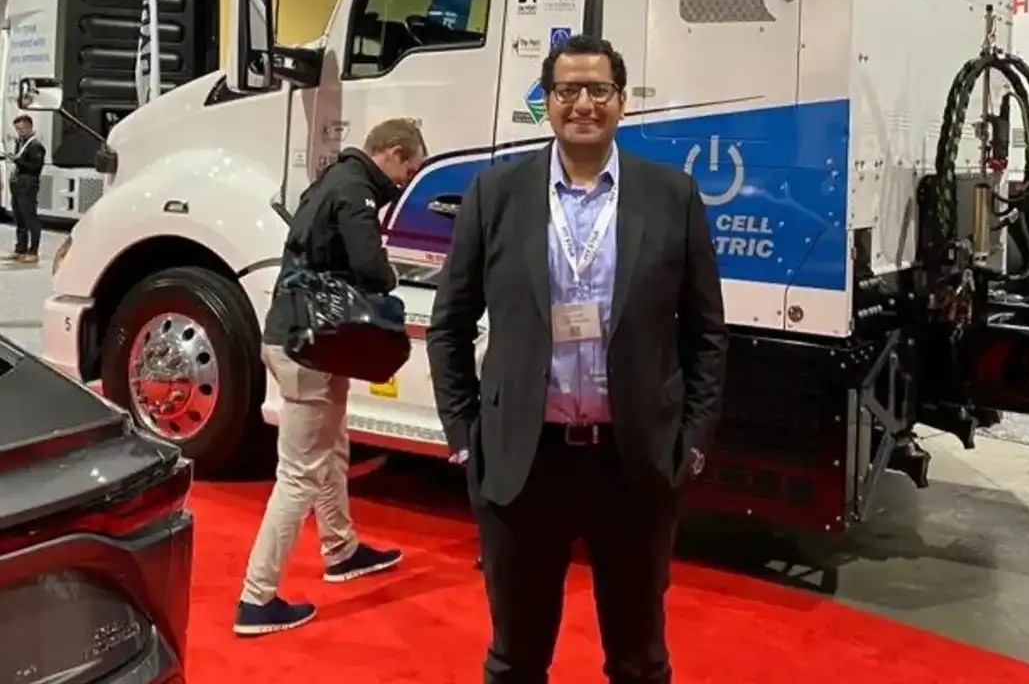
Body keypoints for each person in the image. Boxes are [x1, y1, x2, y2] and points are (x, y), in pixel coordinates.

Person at [427, 34, 729, 683]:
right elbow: (449, 324)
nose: (583, 104)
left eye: (598, 89)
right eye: (567, 90)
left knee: (639, 659)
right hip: (523, 463)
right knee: (515, 659)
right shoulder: (495, 194)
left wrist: (692, 441)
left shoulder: (671, 196)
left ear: (622, 101)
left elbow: (706, 332)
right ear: (547, 101)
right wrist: (465, 437)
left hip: (635, 464)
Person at [234, 118, 426, 636]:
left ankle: (341, 550)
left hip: (298, 337)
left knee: (333, 446)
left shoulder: (330, 180)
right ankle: (256, 598)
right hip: (311, 349)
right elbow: (371, 268)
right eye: (407, 169)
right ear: (391, 152)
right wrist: (391, 274)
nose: (406, 180)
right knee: (298, 474)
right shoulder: (355, 192)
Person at [2, 114, 45, 264]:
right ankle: (20, 248)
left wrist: (17, 160)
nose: (19, 132)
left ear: (29, 127)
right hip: (17, 185)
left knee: (30, 218)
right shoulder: (20, 143)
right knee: (19, 218)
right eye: (17, 129)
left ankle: (33, 251)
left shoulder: (36, 146)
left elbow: (35, 167)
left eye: (21, 129)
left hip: (28, 186)